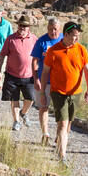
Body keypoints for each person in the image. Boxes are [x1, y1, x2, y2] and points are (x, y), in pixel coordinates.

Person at [41, 21, 88, 165]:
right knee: (63, 124)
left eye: (78, 36)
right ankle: (63, 156)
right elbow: (45, 72)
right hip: (58, 92)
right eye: (74, 36)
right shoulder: (54, 50)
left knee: (68, 123)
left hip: (75, 93)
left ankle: (60, 145)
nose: (76, 39)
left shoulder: (81, 50)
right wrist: (42, 93)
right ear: (66, 34)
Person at [0, 17, 37, 132]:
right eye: (20, 25)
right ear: (18, 26)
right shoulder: (10, 39)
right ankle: (16, 121)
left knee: (31, 98)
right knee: (14, 99)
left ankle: (23, 113)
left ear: (29, 28)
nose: (22, 28)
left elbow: (38, 56)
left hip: (29, 76)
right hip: (12, 75)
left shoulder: (33, 39)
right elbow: (2, 55)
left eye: (25, 26)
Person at [30, 17, 63, 146]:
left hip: (59, 82)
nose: (52, 31)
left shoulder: (63, 40)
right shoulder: (41, 41)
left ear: (59, 29)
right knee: (43, 107)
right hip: (44, 81)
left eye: (55, 29)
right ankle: (45, 134)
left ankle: (60, 135)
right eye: (50, 29)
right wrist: (35, 79)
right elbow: (34, 61)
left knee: (60, 110)